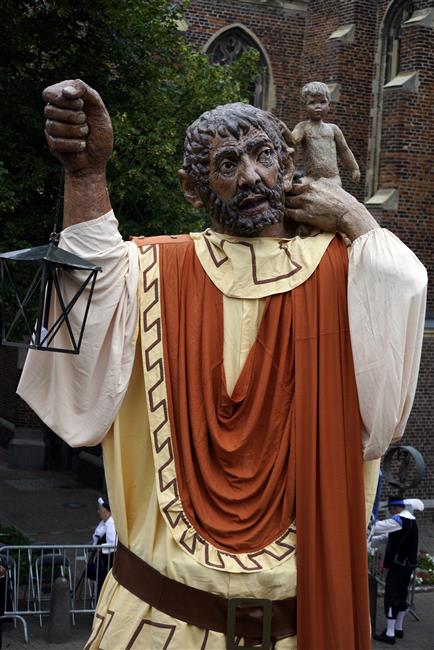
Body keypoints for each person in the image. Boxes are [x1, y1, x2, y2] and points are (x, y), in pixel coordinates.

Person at [16, 79, 427, 649]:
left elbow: (399, 299)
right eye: (227, 164)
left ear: (288, 163)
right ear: (191, 188)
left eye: (263, 155)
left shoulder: (349, 271)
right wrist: (86, 177)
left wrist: (355, 217)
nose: (251, 177)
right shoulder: (152, 270)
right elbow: (89, 290)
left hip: (300, 630)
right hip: (159, 628)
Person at [371, 496, 423, 645]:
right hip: (406, 566)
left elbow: (377, 527)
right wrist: (371, 541)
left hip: (398, 566)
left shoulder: (399, 520)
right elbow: (389, 537)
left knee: (392, 596)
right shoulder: (409, 520)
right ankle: (398, 629)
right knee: (401, 596)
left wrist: (366, 522)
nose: (390, 511)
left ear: (395, 508)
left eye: (390, 508)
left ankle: (390, 634)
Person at [291, 81, 360, 185]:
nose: (318, 106)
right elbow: (293, 140)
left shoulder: (333, 129)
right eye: (312, 103)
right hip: (311, 178)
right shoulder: (303, 127)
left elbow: (344, 150)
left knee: (333, 192)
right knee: (300, 186)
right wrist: (284, 130)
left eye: (322, 102)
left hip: (332, 178)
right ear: (305, 106)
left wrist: (354, 168)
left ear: (329, 105)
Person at [87, 497, 117, 598]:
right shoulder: (105, 523)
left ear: (107, 512)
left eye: (100, 509)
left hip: (108, 563)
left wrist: (100, 547)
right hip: (103, 562)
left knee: (104, 585)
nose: (98, 511)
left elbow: (113, 544)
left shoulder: (111, 525)